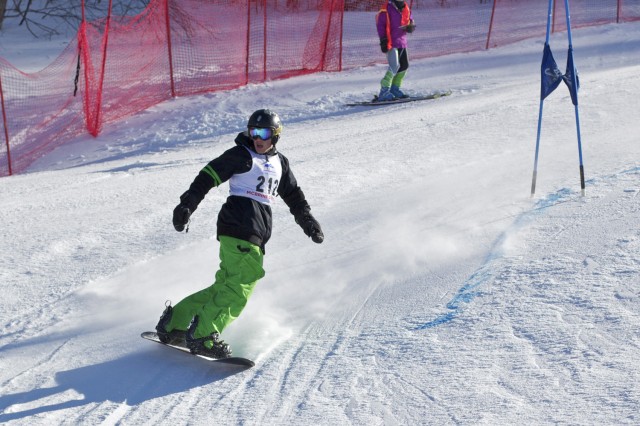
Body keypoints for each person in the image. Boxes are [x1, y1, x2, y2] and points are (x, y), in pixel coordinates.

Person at [156, 109, 324, 359]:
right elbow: (207, 176)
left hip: (248, 232)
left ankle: (174, 324)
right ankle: (203, 335)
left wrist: (307, 220)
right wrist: (186, 205)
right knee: (240, 287)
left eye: (263, 132)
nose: (257, 137)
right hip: (241, 226)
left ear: (276, 135)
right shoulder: (241, 155)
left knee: (224, 286)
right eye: (253, 131)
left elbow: (294, 196)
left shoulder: (281, 163)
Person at [376, 0, 416, 101]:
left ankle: (395, 89)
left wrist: (410, 26)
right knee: (394, 65)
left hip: (402, 41)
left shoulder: (406, 8)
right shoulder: (387, 8)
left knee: (404, 65)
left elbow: (410, 20)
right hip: (390, 42)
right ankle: (384, 91)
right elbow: (380, 24)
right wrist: (383, 39)